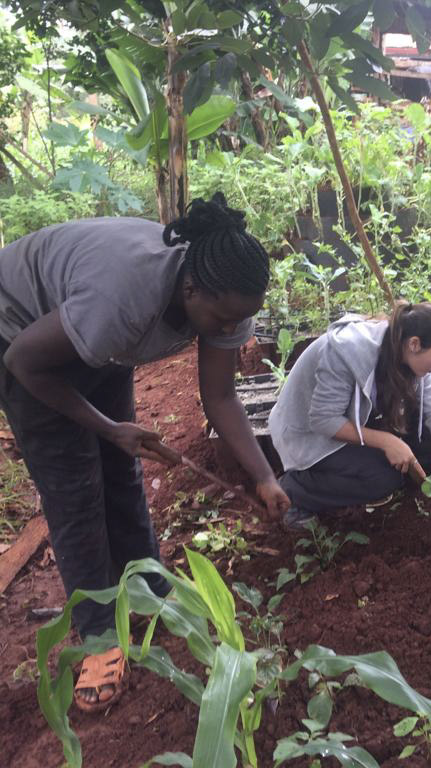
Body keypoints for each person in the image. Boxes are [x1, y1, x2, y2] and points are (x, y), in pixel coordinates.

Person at [0, 193, 291, 712]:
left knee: (121, 470)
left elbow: (220, 397)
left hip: (93, 337)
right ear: (190, 287)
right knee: (75, 488)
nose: (230, 330)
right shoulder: (124, 298)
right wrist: (110, 427)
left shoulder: (229, 300)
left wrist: (264, 475)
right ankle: (97, 636)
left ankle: (149, 592)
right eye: (223, 319)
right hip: (22, 337)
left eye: (239, 321)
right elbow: (26, 362)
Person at [269, 302, 431, 530]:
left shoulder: (406, 351)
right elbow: (323, 420)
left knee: (425, 446)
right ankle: (295, 490)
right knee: (383, 478)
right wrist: (387, 441)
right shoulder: (347, 350)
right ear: (414, 344)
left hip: (347, 422)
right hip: (307, 434)